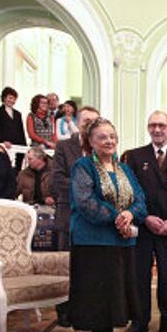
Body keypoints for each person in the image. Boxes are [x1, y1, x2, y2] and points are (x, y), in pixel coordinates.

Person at [68, 117, 147, 332]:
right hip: (92, 241)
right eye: (102, 137)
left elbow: (141, 199)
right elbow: (85, 203)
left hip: (121, 243)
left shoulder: (124, 168)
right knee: (97, 293)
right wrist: (118, 218)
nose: (109, 141)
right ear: (91, 142)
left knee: (116, 293)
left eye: (112, 136)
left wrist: (130, 214)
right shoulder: (83, 166)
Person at [122, 111, 167, 332]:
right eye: (152, 125)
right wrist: (145, 217)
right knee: (139, 275)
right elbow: (127, 192)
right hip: (144, 225)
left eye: (161, 125)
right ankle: (139, 320)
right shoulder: (134, 157)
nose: (157, 130)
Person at [52, 106, 100, 251]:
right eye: (87, 121)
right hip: (69, 215)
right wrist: (87, 189)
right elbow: (58, 179)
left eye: (95, 121)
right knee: (65, 267)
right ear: (77, 123)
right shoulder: (63, 146)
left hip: (96, 219)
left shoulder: (104, 148)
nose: (91, 124)